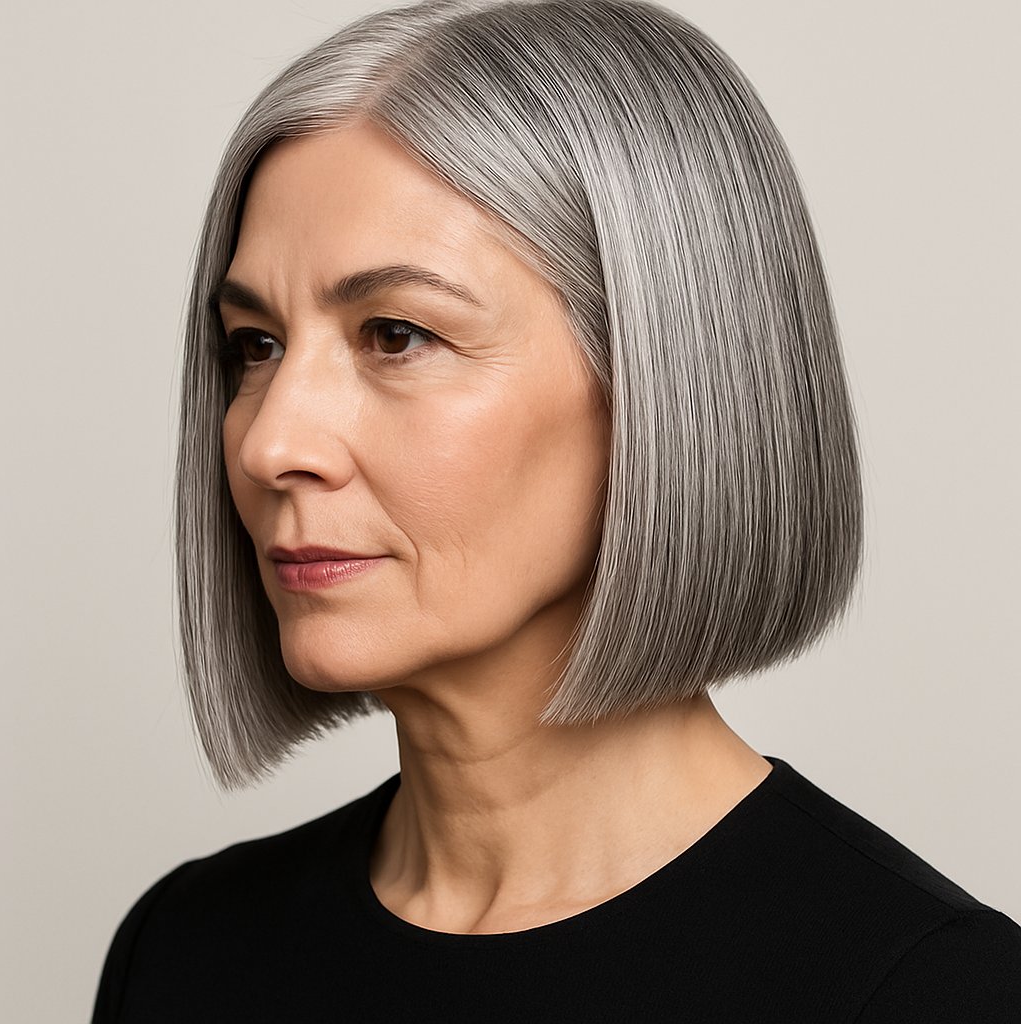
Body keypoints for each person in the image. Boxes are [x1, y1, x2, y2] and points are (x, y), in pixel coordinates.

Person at [92, 0, 1021, 1020]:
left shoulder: (937, 993)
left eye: (395, 334)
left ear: (667, 380)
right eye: (254, 346)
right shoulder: (182, 954)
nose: (270, 444)